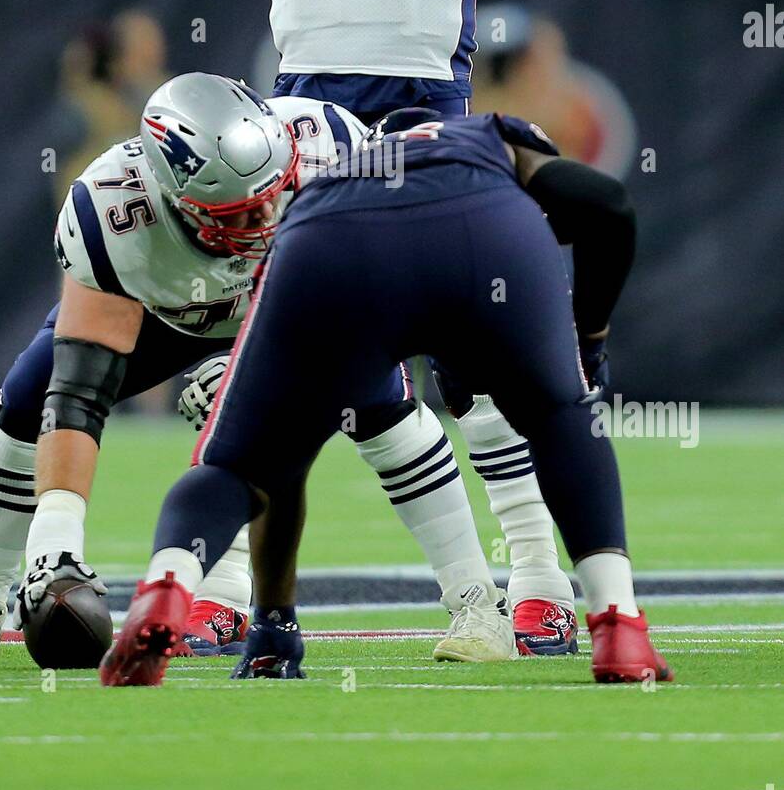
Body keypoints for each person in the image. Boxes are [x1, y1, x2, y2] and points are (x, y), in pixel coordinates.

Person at [111, 0, 601, 651]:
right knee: (266, 353)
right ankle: (236, 583)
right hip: (300, 106)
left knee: (469, 362)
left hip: (425, 105)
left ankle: (535, 578)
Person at [0, 76, 517, 668]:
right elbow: (76, 396)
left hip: (300, 294)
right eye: (236, 213)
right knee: (29, 397)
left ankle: (476, 601)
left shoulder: (333, 148)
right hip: (169, 315)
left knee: (382, 406)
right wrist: (55, 548)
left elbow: (377, 301)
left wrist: (248, 367)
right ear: (171, 196)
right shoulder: (113, 208)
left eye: (271, 196)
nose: (262, 220)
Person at [102, 108, 671, 687]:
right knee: (561, 417)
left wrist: (274, 623)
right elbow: (608, 206)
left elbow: (280, 481)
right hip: (483, 227)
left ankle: (168, 586)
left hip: (330, 243)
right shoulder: (491, 137)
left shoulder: (334, 175)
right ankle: (617, 622)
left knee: (246, 466)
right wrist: (590, 342)